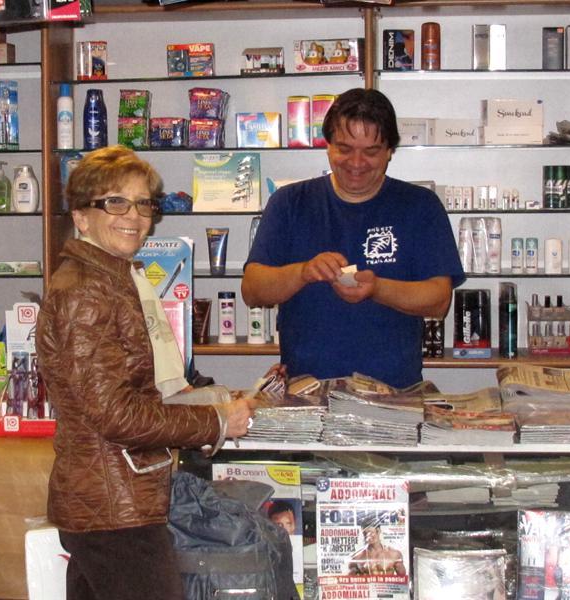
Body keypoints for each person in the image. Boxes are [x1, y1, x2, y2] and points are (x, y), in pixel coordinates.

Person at [36, 145, 256, 600]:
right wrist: (214, 422)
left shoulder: (112, 278)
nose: (134, 216)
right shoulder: (87, 292)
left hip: (111, 500)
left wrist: (206, 402)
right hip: (113, 507)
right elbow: (115, 414)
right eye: (115, 202)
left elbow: (131, 391)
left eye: (143, 204)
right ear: (81, 216)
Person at [242, 88, 465, 389]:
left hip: (394, 395)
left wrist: (378, 289)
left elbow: (439, 300)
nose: (356, 162)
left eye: (371, 151)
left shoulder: (420, 206)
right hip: (306, 392)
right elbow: (252, 289)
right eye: (344, 148)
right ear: (328, 146)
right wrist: (303, 272)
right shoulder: (289, 202)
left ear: (390, 151)